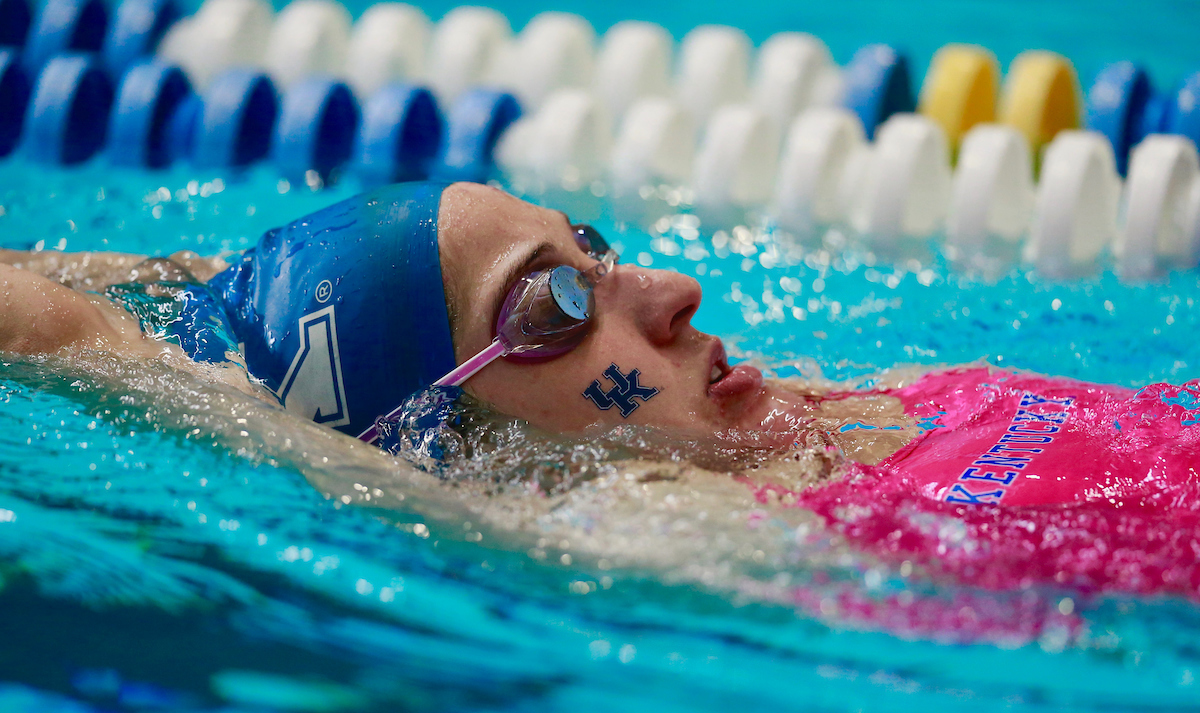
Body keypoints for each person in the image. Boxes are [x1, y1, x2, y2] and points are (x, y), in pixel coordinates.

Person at [2, 181, 1197, 516]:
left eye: (599, 251)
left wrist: (180, 291)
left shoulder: (806, 420)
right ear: (429, 441)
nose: (673, 295)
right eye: (553, 309)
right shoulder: (673, 534)